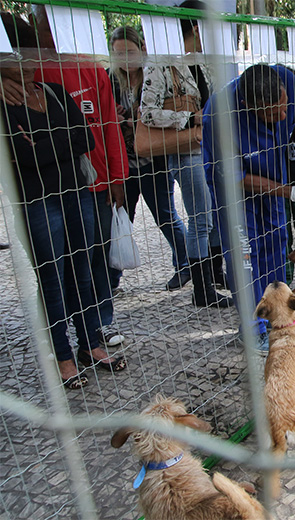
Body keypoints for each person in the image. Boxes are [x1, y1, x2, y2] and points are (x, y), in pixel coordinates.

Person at [0, 13, 126, 388]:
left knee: (83, 270)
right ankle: (63, 357)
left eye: (30, 53)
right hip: (37, 201)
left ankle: (89, 343)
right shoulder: (5, 102)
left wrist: (43, 145)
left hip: (77, 194)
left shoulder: (51, 90)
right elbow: (23, 158)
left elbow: (85, 138)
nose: (27, 62)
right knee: (52, 278)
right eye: (17, 56)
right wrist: (59, 144)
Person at [26, 5, 129, 348]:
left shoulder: (89, 68)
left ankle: (100, 323)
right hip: (46, 188)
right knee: (56, 266)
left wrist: (117, 176)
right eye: (42, 26)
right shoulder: (23, 74)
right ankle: (60, 336)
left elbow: (110, 125)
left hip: (95, 183)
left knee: (95, 258)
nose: (50, 34)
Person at [202, 64, 295, 350]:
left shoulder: (287, 80)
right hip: (235, 191)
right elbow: (237, 179)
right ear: (248, 106)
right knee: (245, 255)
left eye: (282, 106)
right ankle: (254, 326)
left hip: (273, 176)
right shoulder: (219, 115)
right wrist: (293, 193)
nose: (281, 115)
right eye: (272, 113)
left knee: (276, 243)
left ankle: (280, 317)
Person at [139, 0, 232, 308]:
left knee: (216, 214)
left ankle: (216, 275)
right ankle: (202, 290)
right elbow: (147, 113)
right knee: (201, 219)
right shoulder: (162, 64)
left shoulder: (204, 62)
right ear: (196, 26)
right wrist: (188, 119)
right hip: (187, 151)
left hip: (212, 149)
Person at [108, 26, 190, 291]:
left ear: (142, 48)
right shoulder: (109, 79)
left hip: (153, 159)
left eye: (130, 52)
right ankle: (110, 280)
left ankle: (185, 265)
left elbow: (162, 115)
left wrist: (136, 119)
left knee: (165, 215)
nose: (125, 59)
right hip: (123, 162)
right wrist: (116, 118)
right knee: (121, 217)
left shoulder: (154, 75)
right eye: (119, 54)